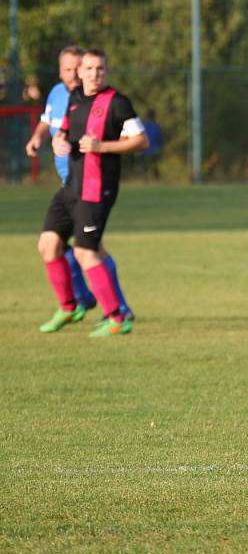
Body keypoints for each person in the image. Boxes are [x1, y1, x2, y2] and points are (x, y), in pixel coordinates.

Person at [38, 48, 148, 337]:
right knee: (48, 245)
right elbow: (62, 131)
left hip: (96, 189)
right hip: (70, 187)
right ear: (80, 72)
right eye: (88, 69)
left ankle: (116, 317)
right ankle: (69, 306)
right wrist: (58, 142)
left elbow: (141, 141)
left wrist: (103, 147)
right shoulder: (74, 99)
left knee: (87, 253)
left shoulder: (118, 103)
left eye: (99, 69)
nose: (93, 74)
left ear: (106, 71)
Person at [139, 109, 164, 179]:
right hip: (155, 150)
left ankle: (144, 177)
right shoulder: (157, 127)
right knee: (155, 165)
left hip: (144, 151)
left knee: (143, 165)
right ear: (154, 117)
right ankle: (156, 178)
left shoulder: (142, 126)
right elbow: (161, 140)